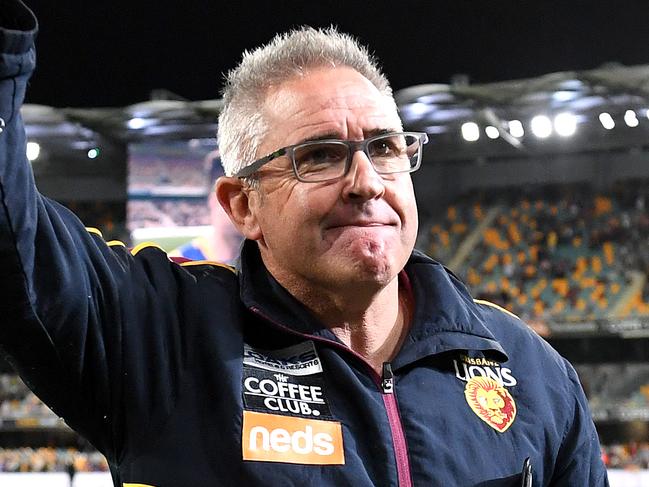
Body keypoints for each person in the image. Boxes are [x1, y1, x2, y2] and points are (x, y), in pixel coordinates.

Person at [0, 2, 608, 486]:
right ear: (244, 205)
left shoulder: (527, 369)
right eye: (319, 156)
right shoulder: (160, 338)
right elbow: (14, 239)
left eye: (385, 148)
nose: (366, 181)